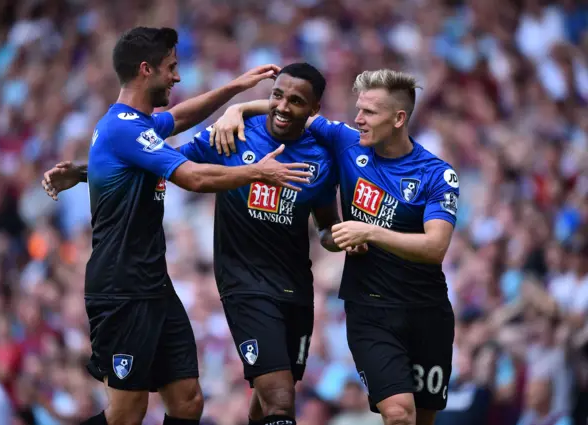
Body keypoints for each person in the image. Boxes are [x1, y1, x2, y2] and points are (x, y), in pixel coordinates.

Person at [42, 62, 367, 425]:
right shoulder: (234, 135)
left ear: (313, 110)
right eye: (277, 95)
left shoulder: (321, 156)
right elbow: (167, 162)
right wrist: (88, 172)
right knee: (279, 398)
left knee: (215, 401)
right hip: (243, 283)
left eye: (296, 100)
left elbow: (326, 225)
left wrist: (339, 239)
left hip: (295, 289)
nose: (283, 106)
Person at [210, 69, 460, 425]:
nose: (358, 119)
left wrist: (369, 232)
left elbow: (436, 247)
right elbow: (290, 110)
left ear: (399, 118)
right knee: (399, 414)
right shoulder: (346, 141)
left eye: (369, 112)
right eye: (358, 109)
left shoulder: (437, 174)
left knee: (421, 418)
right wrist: (236, 111)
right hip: (370, 311)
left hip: (427, 312)